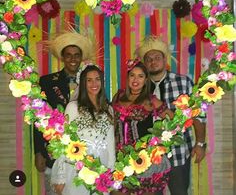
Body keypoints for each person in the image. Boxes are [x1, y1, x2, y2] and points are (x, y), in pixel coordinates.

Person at [136, 35, 206, 195]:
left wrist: (200, 143)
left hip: (179, 151)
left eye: (157, 57)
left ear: (164, 59)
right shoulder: (139, 86)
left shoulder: (183, 82)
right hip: (149, 155)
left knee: (180, 192)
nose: (153, 62)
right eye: (149, 59)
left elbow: (198, 114)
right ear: (144, 63)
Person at [34, 31, 93, 195]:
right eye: (68, 55)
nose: (73, 59)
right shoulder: (46, 82)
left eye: (76, 55)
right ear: (62, 57)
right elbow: (39, 119)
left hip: (84, 152)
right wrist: (38, 151)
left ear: (81, 58)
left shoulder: (91, 82)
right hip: (54, 152)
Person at [51, 65, 116, 195]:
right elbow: (65, 141)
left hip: (101, 167)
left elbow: (110, 144)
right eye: (89, 80)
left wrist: (111, 173)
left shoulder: (108, 109)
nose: (94, 83)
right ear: (83, 83)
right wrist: (61, 175)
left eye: (97, 79)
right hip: (76, 166)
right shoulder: (73, 107)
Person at [112, 59, 173, 195]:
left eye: (140, 76)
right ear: (127, 78)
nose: (136, 79)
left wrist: (161, 139)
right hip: (119, 157)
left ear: (146, 80)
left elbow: (173, 120)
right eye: (132, 75)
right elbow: (112, 124)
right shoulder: (118, 96)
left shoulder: (151, 100)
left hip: (144, 159)